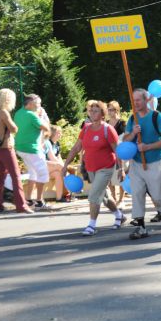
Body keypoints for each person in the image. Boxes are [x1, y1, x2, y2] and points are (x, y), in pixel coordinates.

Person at [62, 100, 125, 235]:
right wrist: (65, 164)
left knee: (94, 194)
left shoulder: (108, 129)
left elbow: (117, 150)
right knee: (105, 197)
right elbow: (76, 148)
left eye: (95, 111)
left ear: (103, 114)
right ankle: (119, 215)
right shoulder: (85, 128)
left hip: (106, 167)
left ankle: (91, 225)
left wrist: (121, 169)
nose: (91, 113)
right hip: (91, 168)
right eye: (90, 110)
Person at [122, 89, 161, 240]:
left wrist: (147, 147)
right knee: (137, 193)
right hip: (137, 162)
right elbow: (125, 140)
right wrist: (133, 133)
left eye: (138, 100)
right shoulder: (133, 119)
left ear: (146, 100)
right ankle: (140, 227)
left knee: (157, 197)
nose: (135, 103)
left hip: (155, 160)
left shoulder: (157, 117)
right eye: (133, 100)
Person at [0, 89, 34, 214]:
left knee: (1, 176)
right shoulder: (4, 112)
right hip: (6, 148)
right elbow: (13, 129)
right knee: (16, 176)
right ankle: (21, 205)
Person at [14, 94, 51, 210]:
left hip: (20, 148)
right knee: (43, 174)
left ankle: (29, 200)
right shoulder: (31, 115)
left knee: (33, 172)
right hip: (32, 149)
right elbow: (47, 128)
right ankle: (40, 202)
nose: (40, 106)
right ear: (30, 104)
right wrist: (43, 116)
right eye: (38, 104)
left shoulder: (19, 112)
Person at [106, 101, 126, 205]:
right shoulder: (106, 123)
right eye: (108, 109)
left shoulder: (121, 123)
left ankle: (121, 199)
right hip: (108, 153)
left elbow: (124, 138)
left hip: (119, 152)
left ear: (116, 110)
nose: (109, 112)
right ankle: (113, 197)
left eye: (111, 109)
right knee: (109, 177)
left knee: (120, 176)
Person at [43, 125, 68, 203]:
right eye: (58, 133)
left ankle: (59, 198)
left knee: (58, 174)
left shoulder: (57, 144)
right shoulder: (47, 142)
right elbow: (52, 159)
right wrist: (63, 166)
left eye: (60, 133)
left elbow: (58, 158)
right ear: (52, 134)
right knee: (62, 168)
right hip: (43, 166)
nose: (60, 135)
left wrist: (64, 165)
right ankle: (71, 188)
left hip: (51, 167)